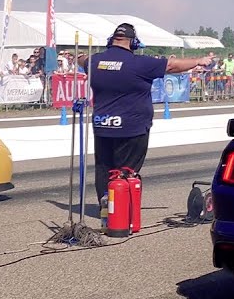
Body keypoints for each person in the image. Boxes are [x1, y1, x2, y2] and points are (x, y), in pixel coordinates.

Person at [84, 22, 211, 221]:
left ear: (111, 40)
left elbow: (81, 59)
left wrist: (80, 58)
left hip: (103, 125)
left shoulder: (95, 61)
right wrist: (199, 60)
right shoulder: (139, 63)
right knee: (126, 172)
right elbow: (171, 66)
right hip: (132, 128)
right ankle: (121, 212)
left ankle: (106, 205)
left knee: (103, 168)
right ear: (133, 42)